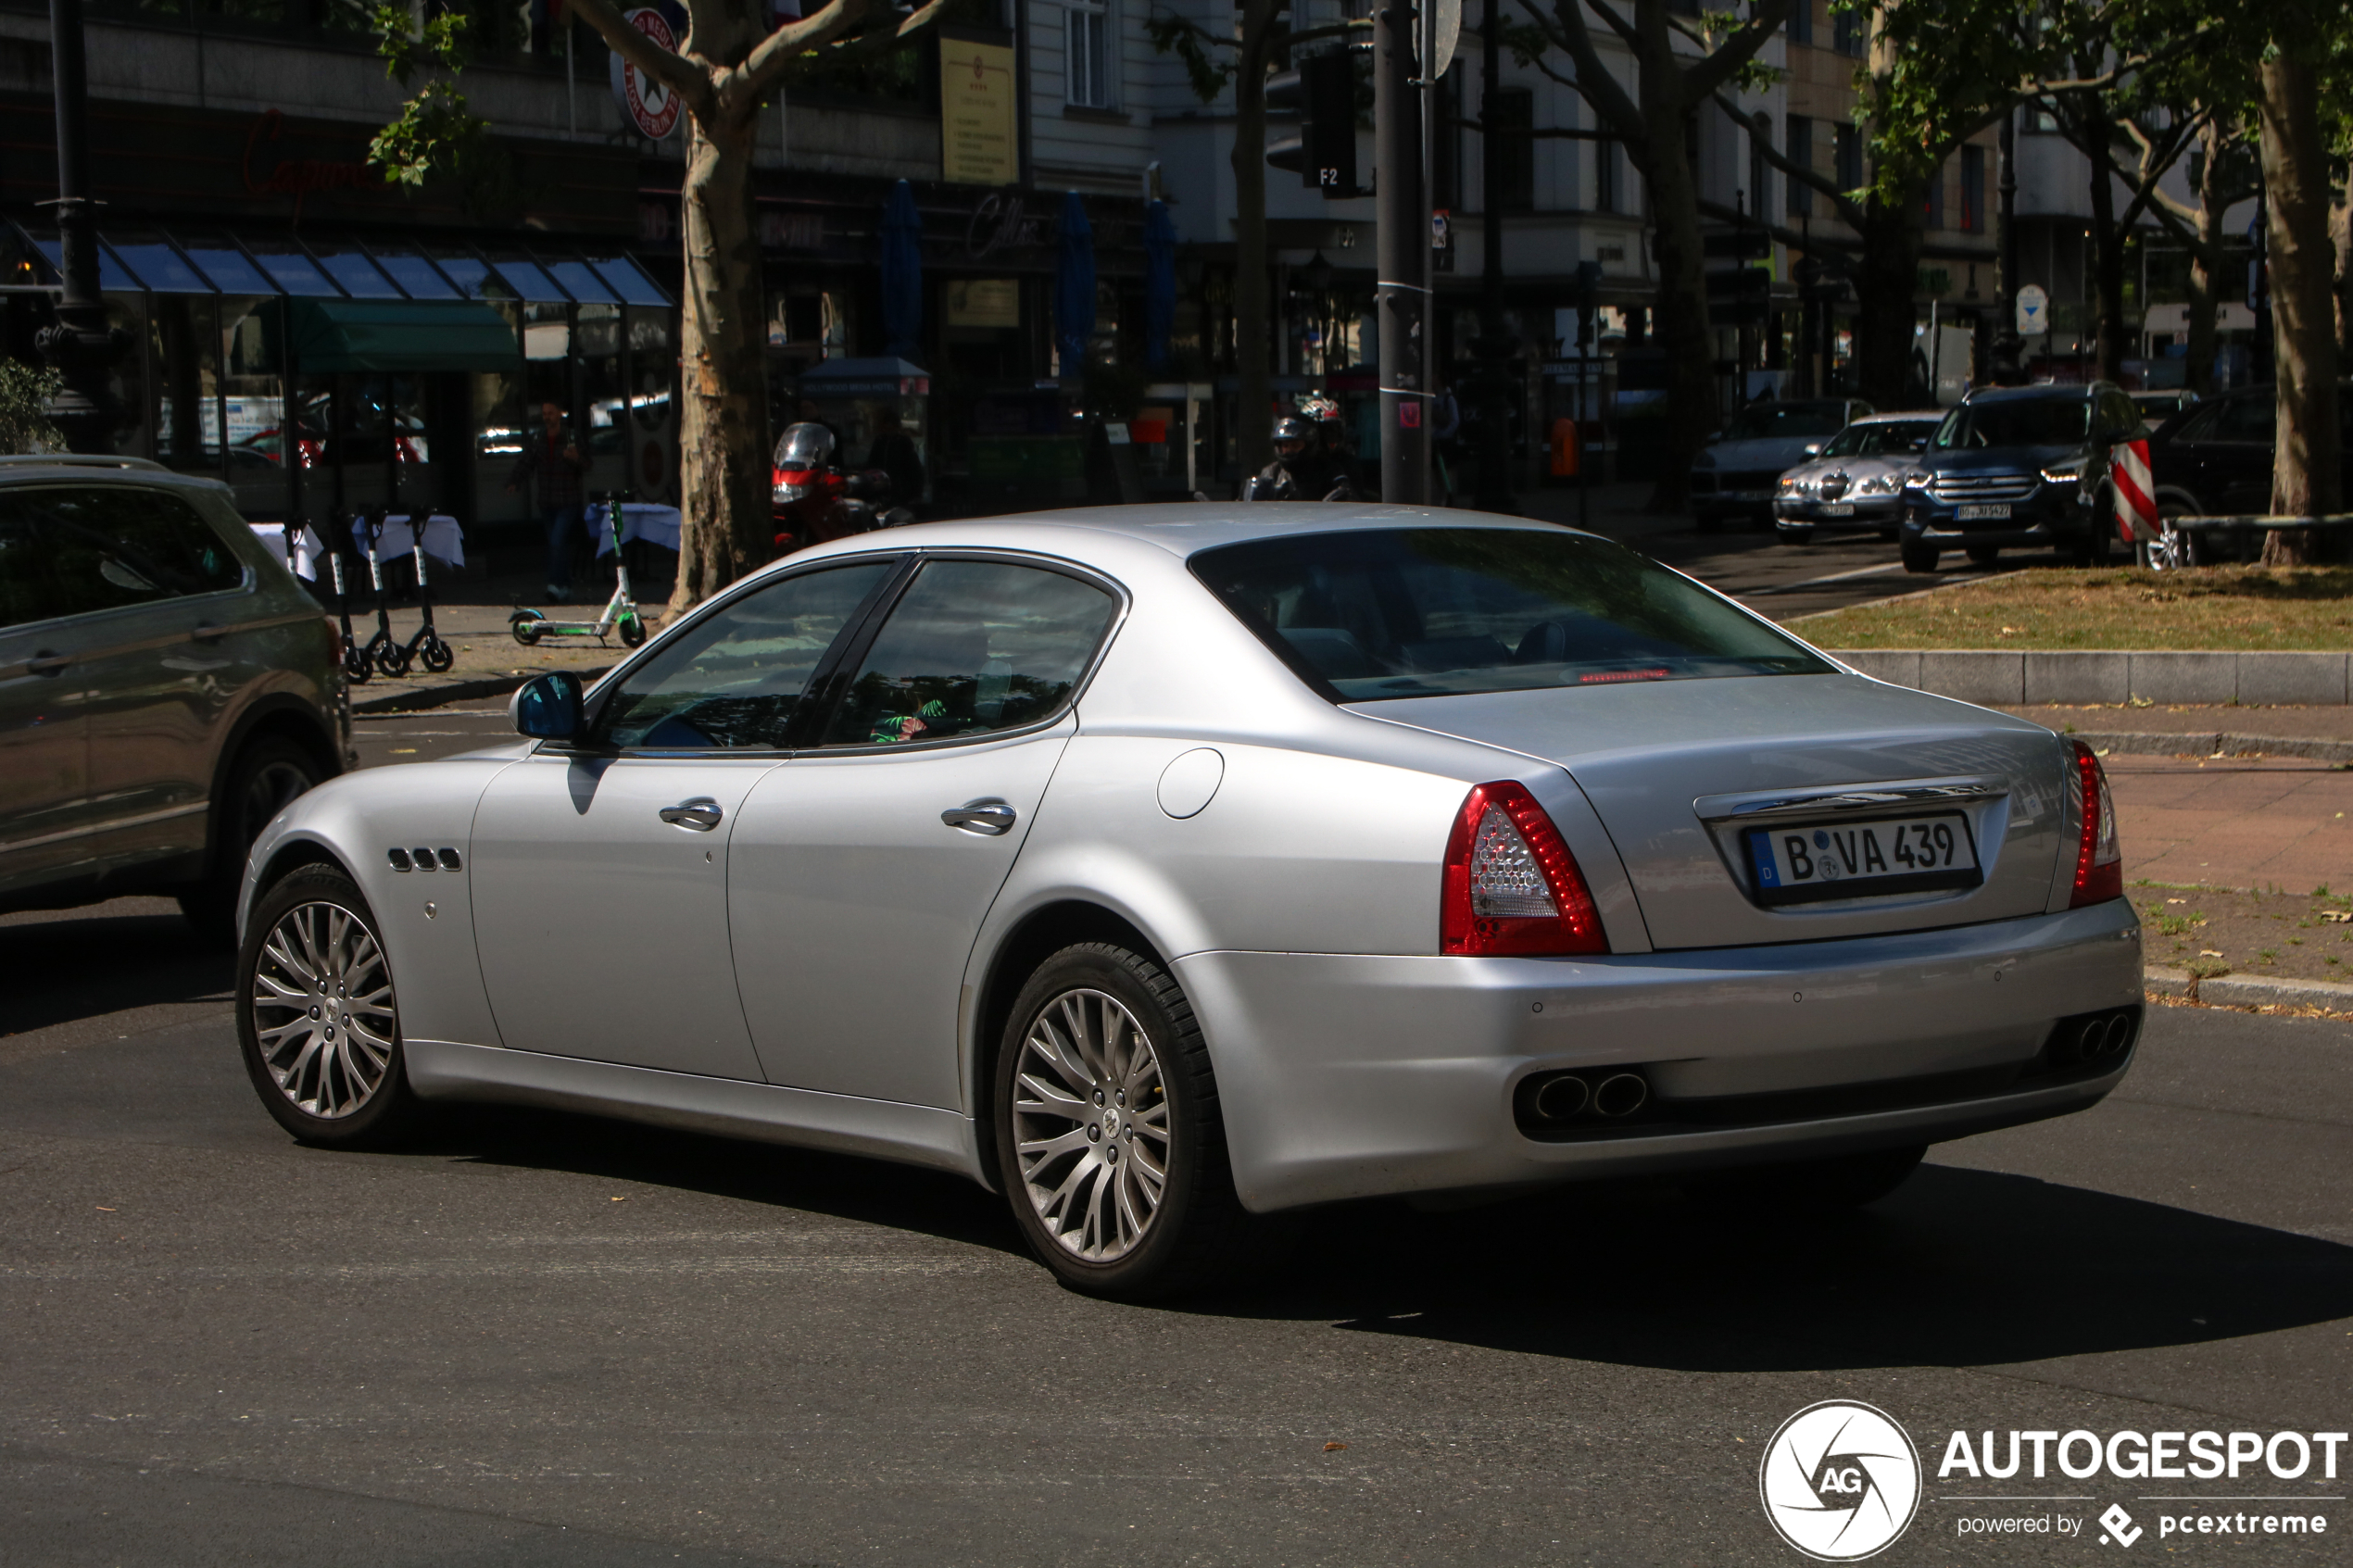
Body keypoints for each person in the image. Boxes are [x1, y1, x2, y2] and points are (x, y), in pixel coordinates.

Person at [506, 400, 587, 603]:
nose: (547, 417)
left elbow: (587, 464)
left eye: (550, 413)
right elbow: (526, 461)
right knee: (556, 544)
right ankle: (565, 586)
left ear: (560, 414)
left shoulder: (571, 437)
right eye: (544, 413)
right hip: (547, 500)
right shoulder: (539, 438)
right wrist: (514, 481)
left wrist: (576, 458)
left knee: (557, 541)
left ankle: (553, 585)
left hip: (567, 499)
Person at [864, 407, 925, 509]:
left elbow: (914, 468)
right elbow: (872, 464)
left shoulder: (903, 442)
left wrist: (915, 492)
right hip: (881, 489)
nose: (889, 430)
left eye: (891, 427)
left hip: (900, 491)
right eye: (886, 427)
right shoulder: (880, 442)